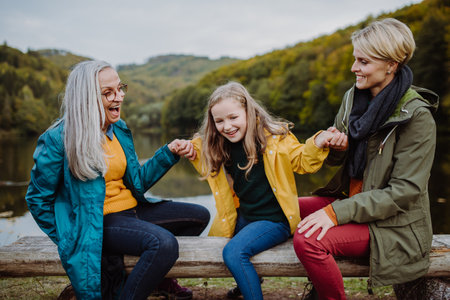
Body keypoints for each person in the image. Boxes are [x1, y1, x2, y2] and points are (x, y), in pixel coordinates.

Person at [25, 60, 210, 300]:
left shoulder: (118, 129)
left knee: (199, 216)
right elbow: (37, 199)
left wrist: (169, 153)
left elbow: (138, 182)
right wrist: (70, 236)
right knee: (164, 244)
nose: (119, 97)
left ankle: (160, 280)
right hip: (99, 222)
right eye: (108, 93)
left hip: (132, 210)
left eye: (120, 88)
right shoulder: (59, 138)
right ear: (87, 98)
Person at [293, 18, 439, 300]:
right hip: (353, 200)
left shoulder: (417, 116)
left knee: (308, 240)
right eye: (354, 59)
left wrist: (335, 214)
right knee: (283, 208)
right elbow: (338, 163)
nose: (353, 68)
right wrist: (337, 146)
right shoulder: (352, 98)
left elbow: (404, 192)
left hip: (392, 223)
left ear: (391, 65)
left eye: (363, 61)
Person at [189, 81, 346, 300]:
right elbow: (202, 151)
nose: (227, 126)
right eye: (219, 121)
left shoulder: (275, 138)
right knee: (224, 238)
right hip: (246, 216)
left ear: (248, 111)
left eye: (233, 118)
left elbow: (302, 160)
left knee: (233, 253)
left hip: (274, 220)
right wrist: (186, 147)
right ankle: (250, 281)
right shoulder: (220, 144)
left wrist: (317, 142)